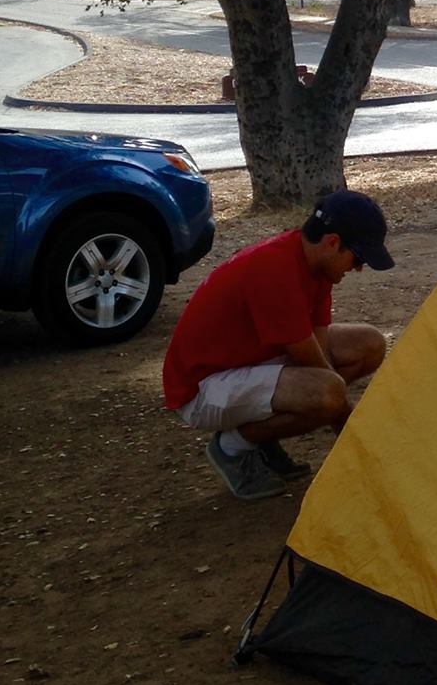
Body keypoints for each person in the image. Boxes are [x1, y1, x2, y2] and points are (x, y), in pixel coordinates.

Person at [162, 188, 394, 501]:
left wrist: (339, 412)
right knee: (325, 394)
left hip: (246, 363)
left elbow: (319, 344)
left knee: (369, 345)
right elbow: (317, 370)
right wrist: (352, 434)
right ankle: (232, 447)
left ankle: (264, 427)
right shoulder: (275, 270)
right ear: (332, 243)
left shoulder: (318, 266)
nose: (358, 268)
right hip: (200, 389)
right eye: (358, 258)